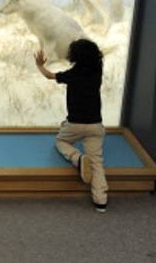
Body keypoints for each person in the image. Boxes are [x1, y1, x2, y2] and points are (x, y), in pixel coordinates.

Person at [35, 38, 108, 212]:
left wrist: (40, 65)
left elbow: (49, 75)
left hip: (74, 124)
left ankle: (78, 158)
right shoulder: (97, 71)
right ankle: (101, 202)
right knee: (97, 163)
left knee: (61, 142)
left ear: (74, 56)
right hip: (96, 125)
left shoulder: (73, 74)